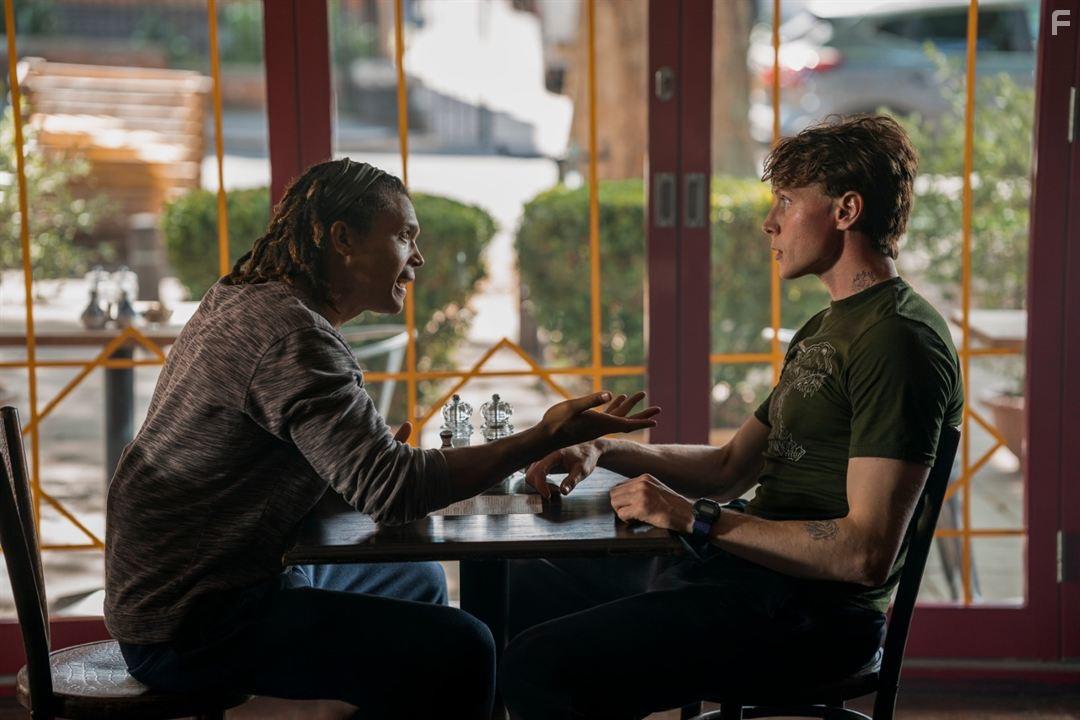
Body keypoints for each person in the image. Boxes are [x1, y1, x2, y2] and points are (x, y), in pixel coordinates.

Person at [103, 158, 658, 719]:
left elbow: (345, 478)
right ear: (342, 238)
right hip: (193, 619)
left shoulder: (244, 298)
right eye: (404, 236)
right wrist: (543, 437)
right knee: (464, 647)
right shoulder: (293, 336)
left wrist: (361, 463)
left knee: (413, 578)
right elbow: (394, 493)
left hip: (186, 588)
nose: (417, 257)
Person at [500, 115, 964, 719]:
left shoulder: (897, 341)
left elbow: (863, 553)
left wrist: (696, 520)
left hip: (808, 618)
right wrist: (607, 451)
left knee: (540, 665)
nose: (769, 221)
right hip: (745, 579)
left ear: (847, 211)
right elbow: (727, 467)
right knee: (520, 590)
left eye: (788, 200)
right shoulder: (828, 327)